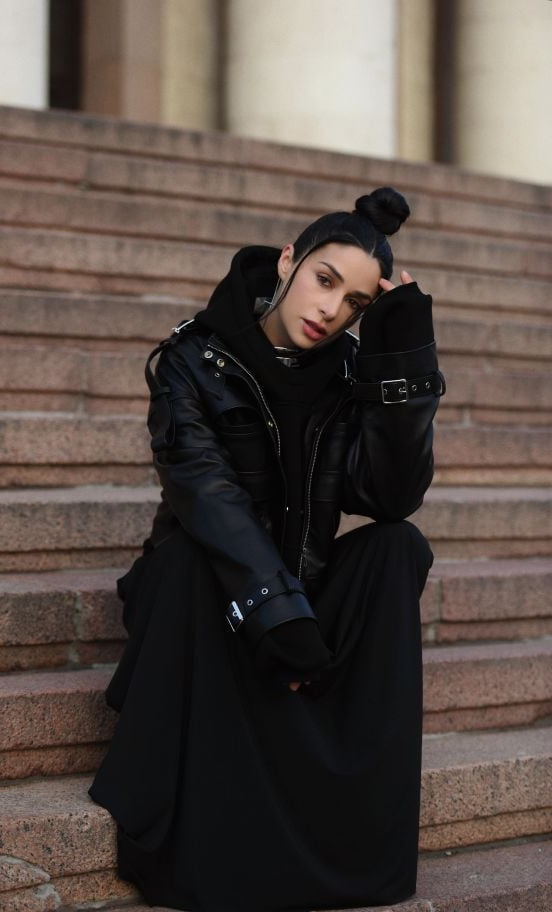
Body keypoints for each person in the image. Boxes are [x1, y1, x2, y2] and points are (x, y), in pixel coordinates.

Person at [89, 186, 445, 912]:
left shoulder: (350, 374)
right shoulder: (193, 359)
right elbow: (207, 496)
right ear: (289, 260)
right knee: (192, 555)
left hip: (299, 594)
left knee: (397, 547)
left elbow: (389, 497)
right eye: (324, 280)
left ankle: (360, 830)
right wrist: (278, 614)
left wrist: (401, 358)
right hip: (204, 593)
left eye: (355, 303)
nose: (331, 309)